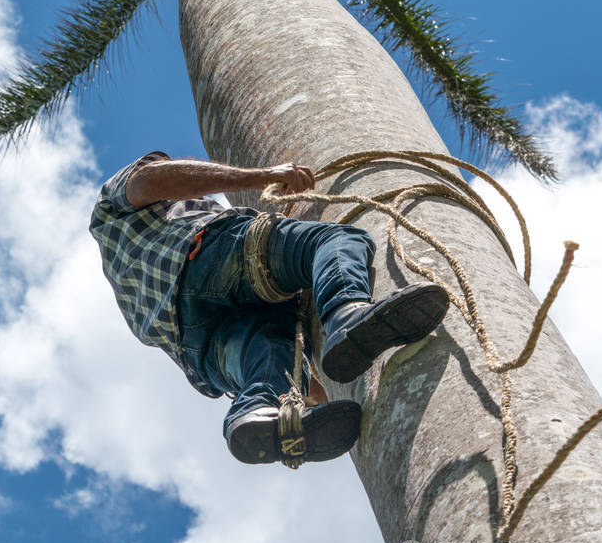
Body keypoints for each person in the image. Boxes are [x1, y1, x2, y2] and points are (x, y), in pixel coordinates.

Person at [89, 152, 449, 466]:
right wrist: (264, 176)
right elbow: (150, 180)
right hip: (203, 256)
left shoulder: (120, 265)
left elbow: (301, 366)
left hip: (198, 347)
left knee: (272, 353)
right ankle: (346, 312)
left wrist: (320, 391)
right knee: (335, 239)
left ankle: (255, 411)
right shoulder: (115, 198)